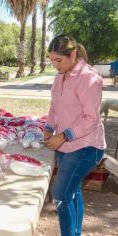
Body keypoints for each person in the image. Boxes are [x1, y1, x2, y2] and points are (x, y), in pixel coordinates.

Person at [44, 35, 106, 236]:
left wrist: (62, 136)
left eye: (58, 60)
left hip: (86, 147)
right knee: (73, 191)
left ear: (72, 54)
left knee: (61, 195)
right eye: (52, 60)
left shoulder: (89, 78)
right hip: (66, 145)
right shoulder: (59, 76)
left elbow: (91, 119)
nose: (55, 66)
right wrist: (48, 128)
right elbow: (55, 107)